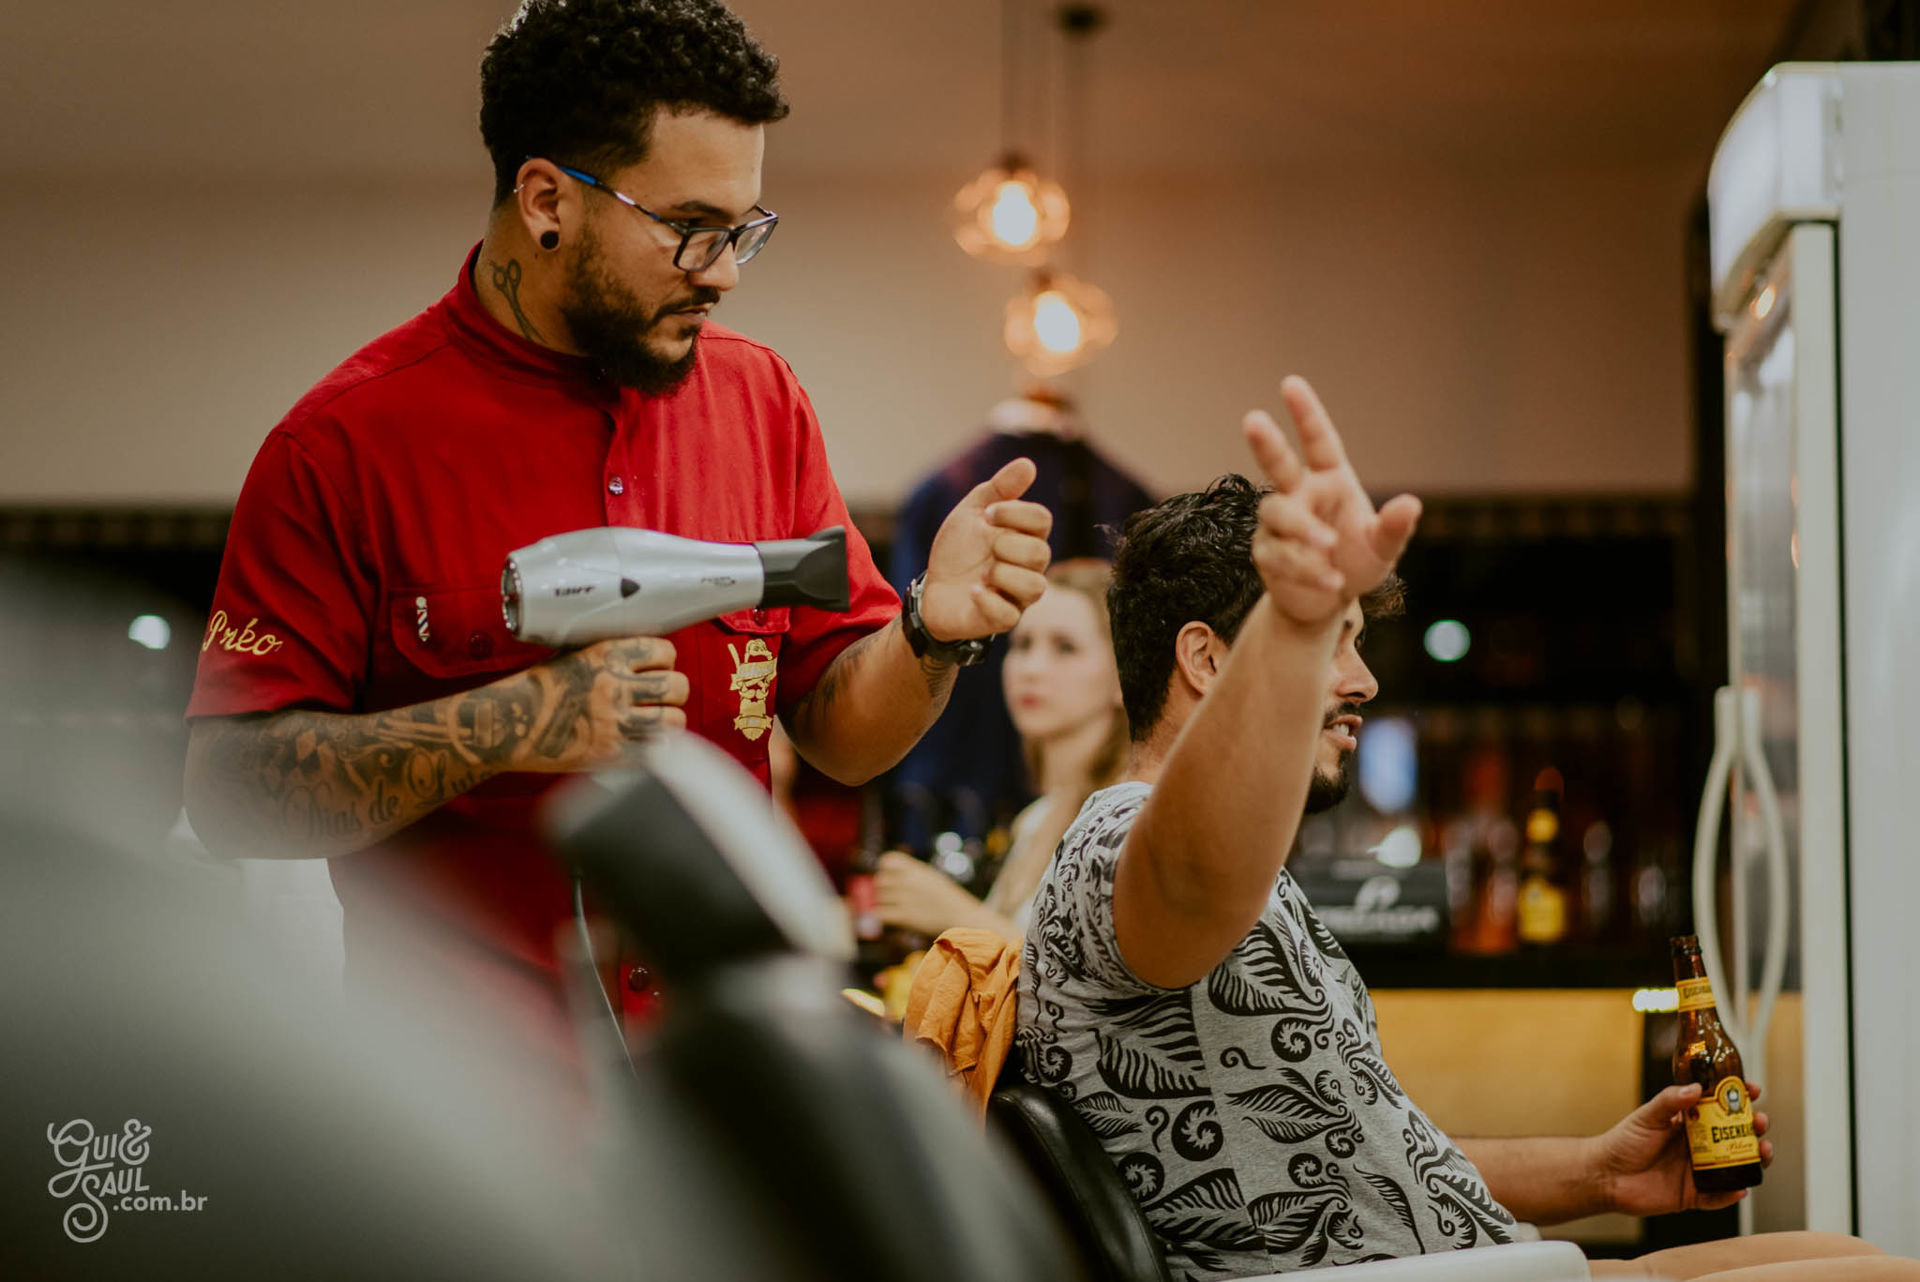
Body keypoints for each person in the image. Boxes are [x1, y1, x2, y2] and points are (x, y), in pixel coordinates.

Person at [180, 0, 1053, 1025]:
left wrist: (929, 632)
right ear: (547, 198)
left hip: (725, 1069)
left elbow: (841, 736)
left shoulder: (761, 403)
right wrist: (504, 723)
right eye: (690, 230)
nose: (723, 273)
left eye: (743, 232)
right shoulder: (341, 448)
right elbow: (231, 793)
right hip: (478, 1103)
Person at [1016, 379, 1914, 1282]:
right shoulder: (1119, 848)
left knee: (1850, 1255)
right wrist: (1294, 626)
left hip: (1454, 1267)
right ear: (1207, 659)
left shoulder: (1185, 864)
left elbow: (1367, 1158)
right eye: (1338, 639)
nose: (1363, 681)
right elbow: (1191, 870)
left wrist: (1601, 1170)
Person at [874, 559, 1128, 941]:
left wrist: (953, 914)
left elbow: (1093, 989)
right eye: (1023, 644)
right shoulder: (1035, 820)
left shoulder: (1127, 822)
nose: (1032, 668)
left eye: (1065, 648)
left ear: (1124, 675)